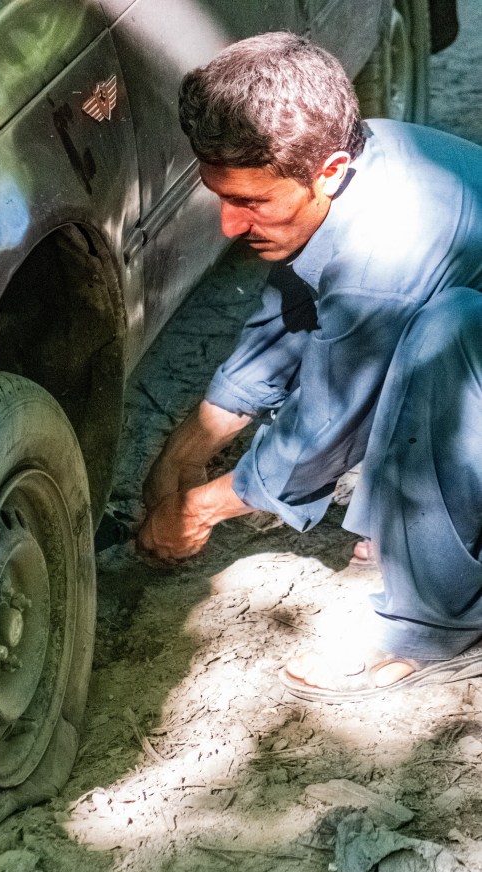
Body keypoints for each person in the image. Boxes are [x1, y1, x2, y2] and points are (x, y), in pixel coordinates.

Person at [137, 32, 482, 702]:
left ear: (326, 171)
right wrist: (186, 452)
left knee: (444, 335)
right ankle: (416, 535)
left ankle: (430, 625)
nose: (230, 227)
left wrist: (199, 509)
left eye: (252, 204)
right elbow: (290, 319)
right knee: (429, 334)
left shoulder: (383, 251)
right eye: (222, 198)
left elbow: (324, 426)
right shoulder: (351, 157)